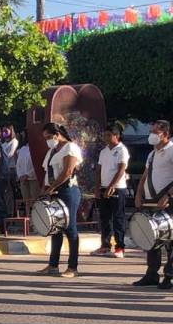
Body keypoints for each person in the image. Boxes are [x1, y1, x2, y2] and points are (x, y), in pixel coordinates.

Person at [38, 123, 83, 278]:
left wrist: (52, 187)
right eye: (46, 138)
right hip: (54, 191)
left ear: (57, 134)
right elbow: (47, 173)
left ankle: (73, 267)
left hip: (68, 191)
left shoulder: (70, 148)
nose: (48, 140)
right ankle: (53, 265)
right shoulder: (52, 151)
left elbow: (67, 171)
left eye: (49, 137)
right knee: (55, 228)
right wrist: (45, 189)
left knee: (70, 228)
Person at [133, 120, 173, 289]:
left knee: (170, 239)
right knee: (152, 237)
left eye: (154, 132)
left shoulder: (172, 150)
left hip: (167, 200)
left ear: (165, 134)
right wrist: (139, 194)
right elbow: (145, 176)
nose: (151, 135)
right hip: (150, 200)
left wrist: (169, 195)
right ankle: (151, 274)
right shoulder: (152, 154)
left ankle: (169, 276)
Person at [91, 123, 129, 258]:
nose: (105, 138)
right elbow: (99, 170)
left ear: (116, 136)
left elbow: (121, 170)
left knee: (118, 218)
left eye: (108, 135)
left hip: (117, 188)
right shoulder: (104, 151)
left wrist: (111, 186)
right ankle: (105, 245)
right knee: (104, 218)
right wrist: (97, 187)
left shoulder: (122, 150)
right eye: (104, 135)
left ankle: (120, 247)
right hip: (103, 187)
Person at [15, 131, 39, 202]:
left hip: (33, 178)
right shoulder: (22, 149)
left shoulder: (36, 148)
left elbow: (36, 163)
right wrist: (20, 175)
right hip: (23, 179)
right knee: (26, 200)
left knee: (34, 200)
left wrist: (28, 174)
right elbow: (18, 164)